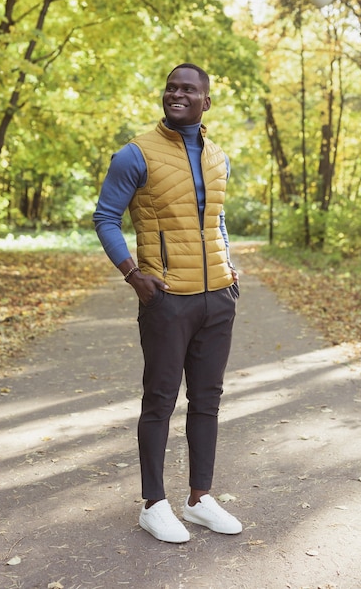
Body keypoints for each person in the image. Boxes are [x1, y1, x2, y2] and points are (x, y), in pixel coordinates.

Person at [93, 63, 242, 543]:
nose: (176, 94)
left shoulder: (218, 157)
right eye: (171, 87)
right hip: (166, 298)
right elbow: (105, 218)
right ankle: (154, 504)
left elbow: (214, 219)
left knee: (207, 401)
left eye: (188, 89)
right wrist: (133, 275)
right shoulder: (135, 154)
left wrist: (228, 266)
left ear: (206, 101)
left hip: (217, 297)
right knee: (159, 400)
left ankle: (199, 499)